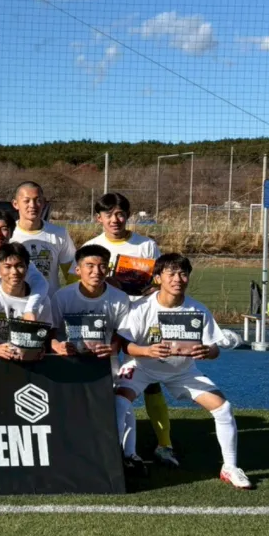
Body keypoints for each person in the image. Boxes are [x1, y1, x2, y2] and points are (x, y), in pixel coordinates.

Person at [114, 254, 252, 490]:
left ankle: (230, 467)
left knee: (223, 408)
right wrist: (147, 351)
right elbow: (125, 345)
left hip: (182, 371)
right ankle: (117, 460)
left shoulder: (197, 309)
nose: (178, 279)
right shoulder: (141, 307)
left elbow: (214, 349)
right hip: (141, 366)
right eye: (171, 274)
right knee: (119, 402)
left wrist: (206, 351)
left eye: (183, 274)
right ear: (158, 278)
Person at [82, 192, 174, 468]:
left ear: (128, 216)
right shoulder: (91, 246)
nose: (115, 219)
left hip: (141, 321)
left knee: (150, 382)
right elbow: (84, 284)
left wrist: (149, 287)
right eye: (108, 214)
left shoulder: (146, 245)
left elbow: (159, 281)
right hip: (104, 321)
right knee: (103, 380)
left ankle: (164, 444)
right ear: (98, 218)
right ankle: (102, 439)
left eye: (120, 214)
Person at [0, 243, 54, 359]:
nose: (14, 272)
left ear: (27, 268)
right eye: (7, 266)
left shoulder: (42, 301)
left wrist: (39, 348)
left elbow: (44, 334)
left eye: (19, 266)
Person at [9, 181, 76, 294]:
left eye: (38, 200)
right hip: (17, 302)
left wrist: (70, 299)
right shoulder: (7, 235)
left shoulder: (59, 233)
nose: (32, 205)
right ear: (15, 204)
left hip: (50, 302)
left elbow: (72, 273)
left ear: (44, 203)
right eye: (26, 201)